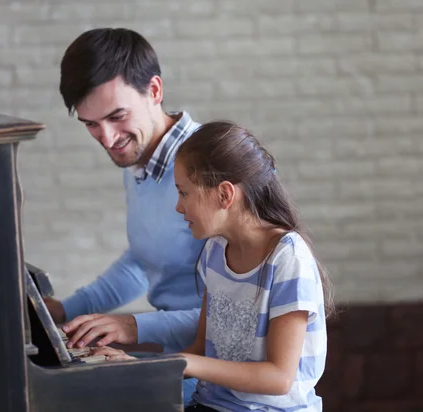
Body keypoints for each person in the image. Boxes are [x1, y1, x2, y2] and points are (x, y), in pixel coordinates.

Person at [94, 121, 335, 411]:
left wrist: (179, 363)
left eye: (184, 193)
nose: (178, 207)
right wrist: (142, 369)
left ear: (224, 195)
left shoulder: (287, 259)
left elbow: (279, 378)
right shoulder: (215, 250)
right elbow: (202, 348)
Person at [46, 27, 205, 402]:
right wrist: (66, 310)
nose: (107, 137)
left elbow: (243, 312)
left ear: (154, 91)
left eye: (117, 116)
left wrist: (132, 326)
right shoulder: (141, 165)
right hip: (180, 362)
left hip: (222, 382)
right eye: (91, 124)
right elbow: (142, 261)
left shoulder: (211, 169)